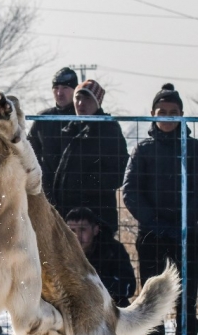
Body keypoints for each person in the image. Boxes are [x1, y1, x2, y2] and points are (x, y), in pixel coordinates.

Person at [123, 83, 197, 335]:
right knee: (152, 295)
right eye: (161, 112)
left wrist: (185, 222)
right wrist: (155, 223)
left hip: (188, 234)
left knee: (186, 296)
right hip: (152, 236)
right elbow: (130, 192)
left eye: (173, 112)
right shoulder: (143, 150)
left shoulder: (193, 149)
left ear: (182, 115)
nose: (167, 117)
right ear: (152, 116)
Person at [50, 79, 129, 234]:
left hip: (97, 217)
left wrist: (85, 187)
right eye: (78, 98)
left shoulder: (108, 130)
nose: (81, 103)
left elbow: (118, 172)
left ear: (97, 102)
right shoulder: (70, 129)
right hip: (67, 214)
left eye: (87, 99)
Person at [65, 207, 136, 307]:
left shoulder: (112, 250)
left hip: (108, 308)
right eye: (72, 230)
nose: (77, 236)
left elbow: (128, 287)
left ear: (95, 230)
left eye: (82, 230)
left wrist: (90, 283)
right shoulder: (60, 252)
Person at [28, 67, 78, 203]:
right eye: (56, 88)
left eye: (65, 88)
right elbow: (30, 152)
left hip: (77, 192)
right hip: (47, 190)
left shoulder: (83, 118)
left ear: (75, 90)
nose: (60, 92)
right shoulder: (43, 119)